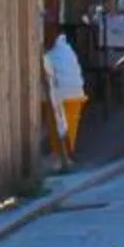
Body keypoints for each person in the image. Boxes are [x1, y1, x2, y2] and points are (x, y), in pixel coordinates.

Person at [42, 19, 87, 170]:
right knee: (67, 127)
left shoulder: (50, 55)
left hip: (61, 93)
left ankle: (61, 156)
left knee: (59, 125)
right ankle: (66, 154)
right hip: (76, 92)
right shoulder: (67, 50)